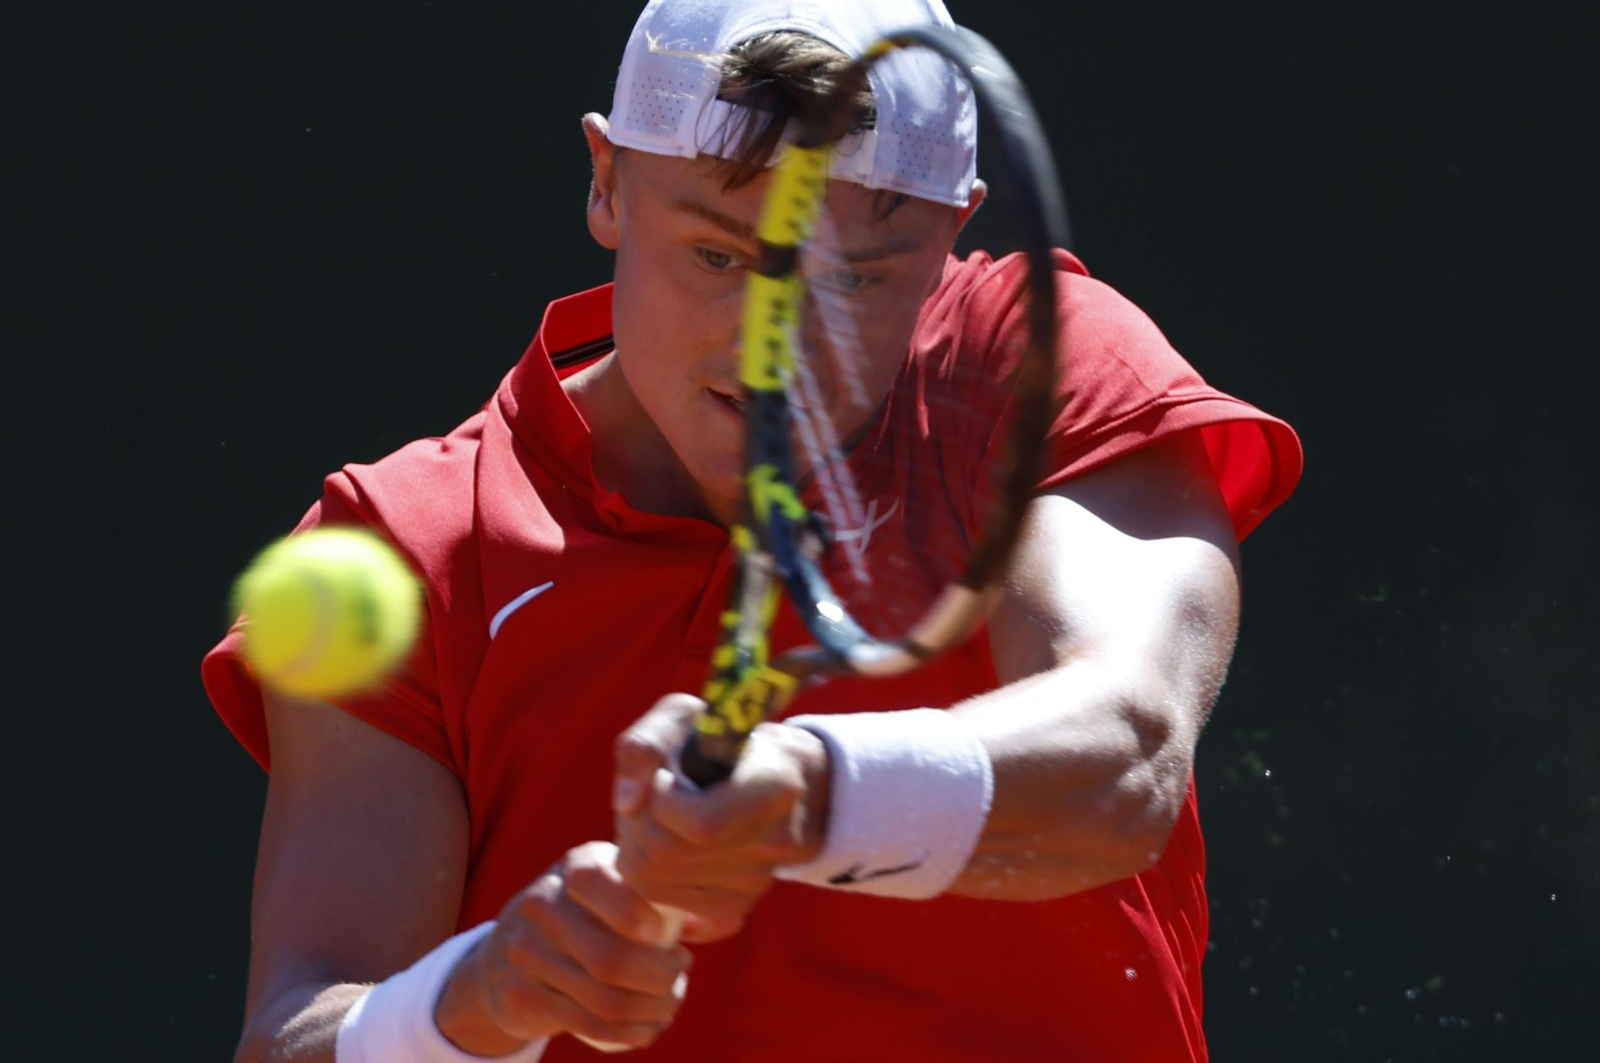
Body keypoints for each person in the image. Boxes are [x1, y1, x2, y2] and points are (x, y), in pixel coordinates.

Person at [204, 1, 1302, 1060]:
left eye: (855, 278)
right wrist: (469, 1004)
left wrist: (810, 791)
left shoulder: (1042, 364)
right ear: (606, 181)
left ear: (951, 231)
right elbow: (295, 1030)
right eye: (719, 256)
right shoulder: (406, 545)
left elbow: (1126, 757)